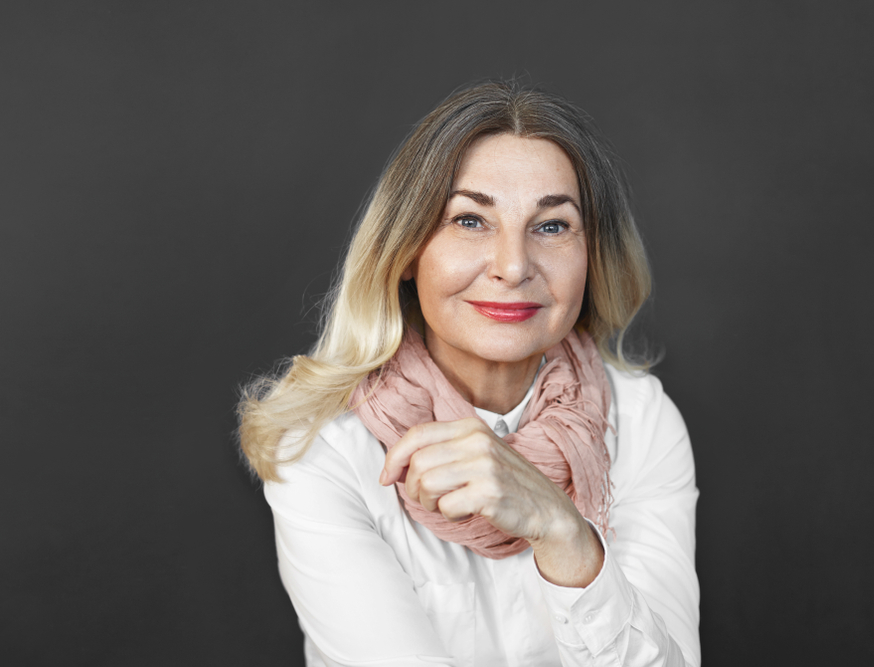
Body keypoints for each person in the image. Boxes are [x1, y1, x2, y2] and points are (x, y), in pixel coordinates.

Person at [239, 81, 700, 667]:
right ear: (405, 251)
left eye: (553, 226)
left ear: (592, 256)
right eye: (470, 221)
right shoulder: (323, 444)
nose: (513, 266)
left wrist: (564, 534)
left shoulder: (641, 419)